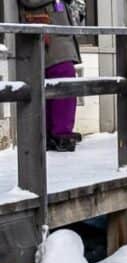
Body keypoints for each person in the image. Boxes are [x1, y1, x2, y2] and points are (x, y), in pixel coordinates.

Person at [18, 0, 81, 151]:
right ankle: (60, 134)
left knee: (56, 84)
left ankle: (54, 133)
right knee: (62, 80)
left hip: (57, 38)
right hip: (47, 38)